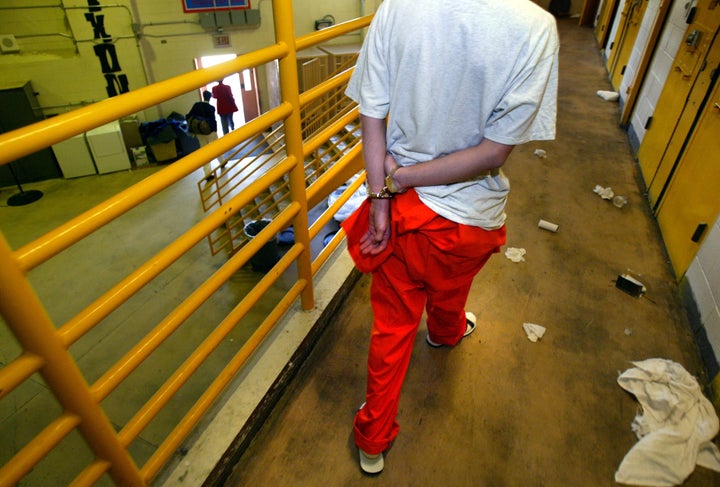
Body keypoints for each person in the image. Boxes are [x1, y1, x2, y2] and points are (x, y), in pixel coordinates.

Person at [342, 0, 559, 474]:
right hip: (470, 218)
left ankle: (373, 437)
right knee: (450, 284)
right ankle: (445, 333)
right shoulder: (537, 28)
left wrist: (386, 192)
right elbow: (493, 154)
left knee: (393, 325)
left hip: (403, 211)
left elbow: (372, 113)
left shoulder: (397, 7)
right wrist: (401, 183)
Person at [186, 90, 219, 181]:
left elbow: (188, 116)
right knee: (218, 147)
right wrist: (215, 130)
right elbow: (213, 121)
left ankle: (208, 174)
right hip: (210, 132)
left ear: (203, 96)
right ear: (210, 97)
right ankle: (222, 161)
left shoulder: (196, 105)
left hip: (199, 133)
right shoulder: (211, 108)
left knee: (204, 152)